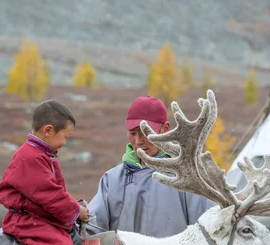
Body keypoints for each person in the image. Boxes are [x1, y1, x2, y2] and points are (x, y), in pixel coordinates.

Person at [0, 99, 90, 245]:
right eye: (65, 136)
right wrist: (76, 211)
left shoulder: (40, 153)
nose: (65, 142)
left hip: (33, 215)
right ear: (48, 131)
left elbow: (52, 194)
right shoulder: (31, 157)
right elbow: (49, 194)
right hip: (25, 220)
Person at [88, 96, 215, 237]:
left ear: (165, 129)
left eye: (145, 133)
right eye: (132, 133)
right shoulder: (111, 180)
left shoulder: (188, 177)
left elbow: (210, 228)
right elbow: (91, 229)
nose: (138, 141)